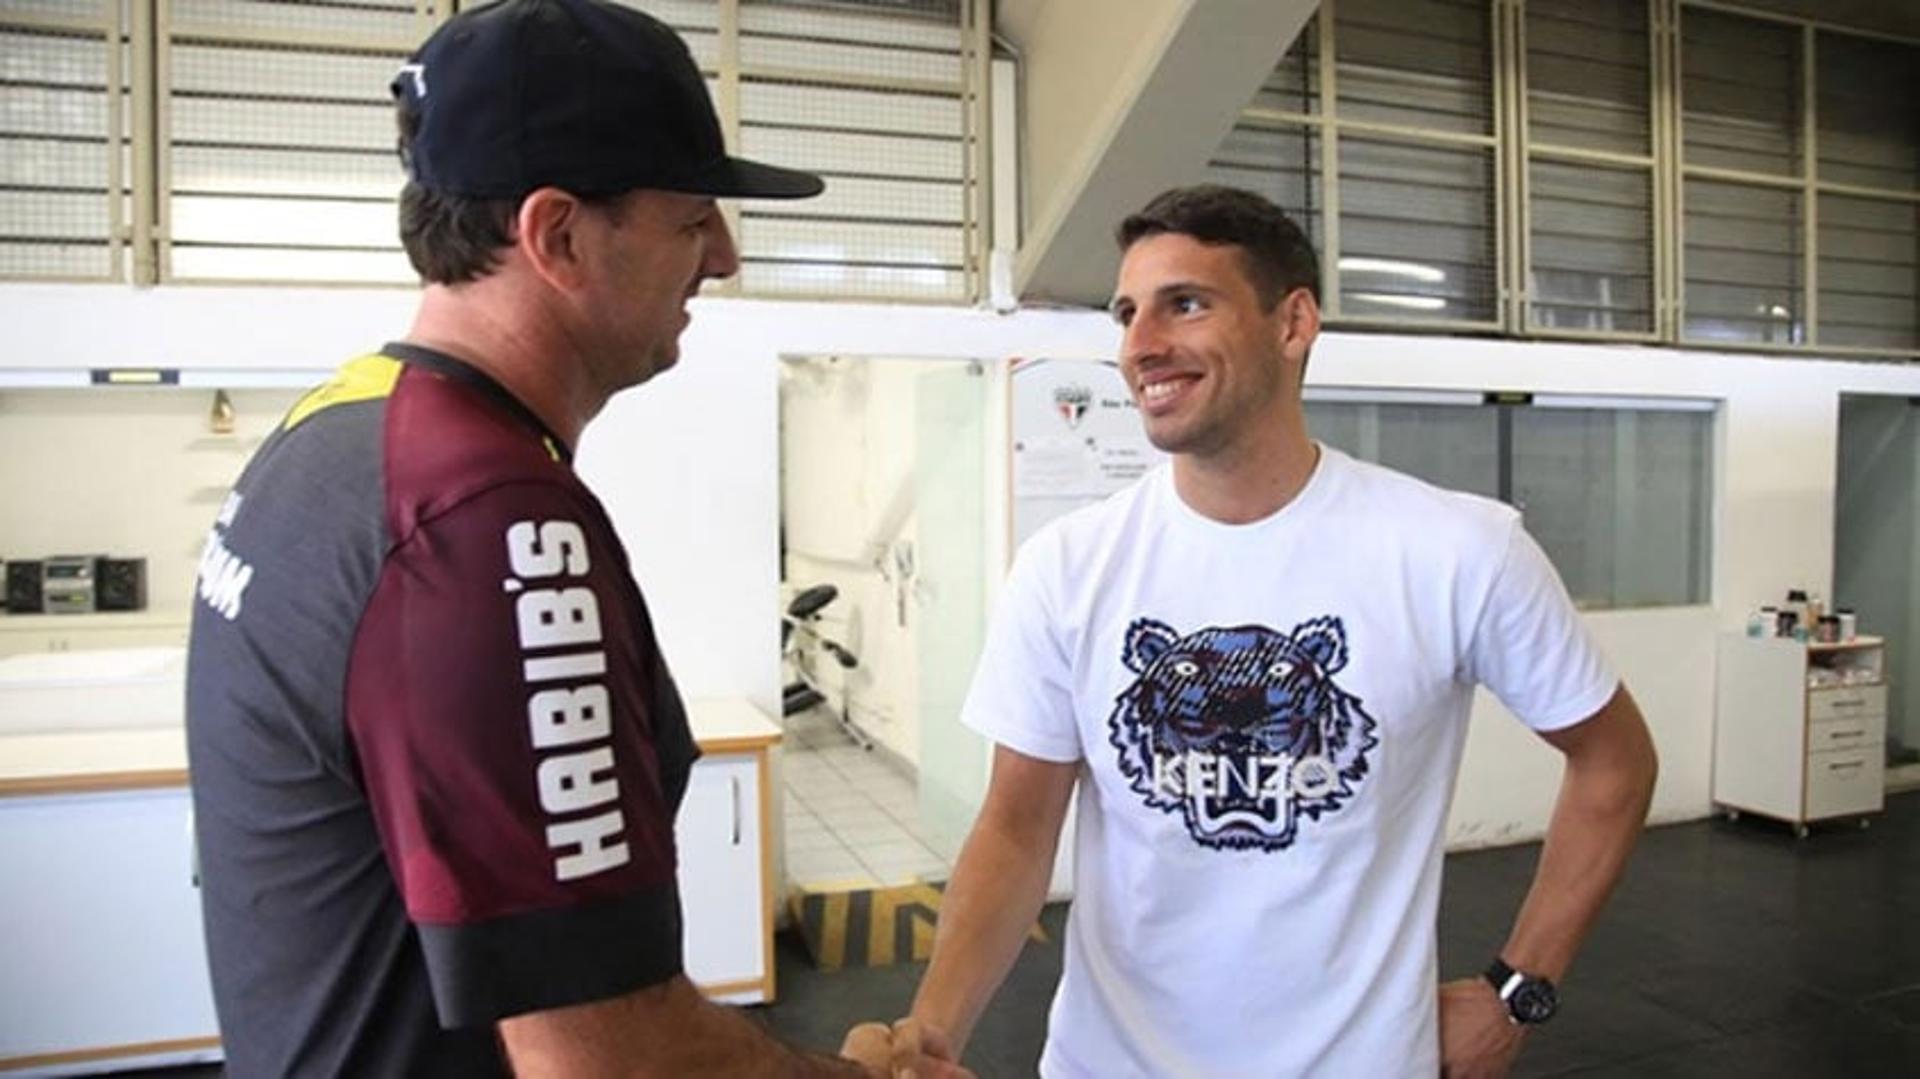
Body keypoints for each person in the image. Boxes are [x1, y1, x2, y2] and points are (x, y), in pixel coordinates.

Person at [185, 1, 963, 1075]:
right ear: (556, 234)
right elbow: (613, 1056)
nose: (726, 258)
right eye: (693, 219)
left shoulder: (338, 431)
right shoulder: (484, 523)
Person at [903, 185, 1660, 1077]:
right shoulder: (1068, 568)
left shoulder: (1457, 550)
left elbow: (1615, 759)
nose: (1141, 345)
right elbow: (1017, 829)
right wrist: (932, 1029)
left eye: (1185, 303)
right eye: (1127, 312)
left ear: (1293, 322)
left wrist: (1518, 988)